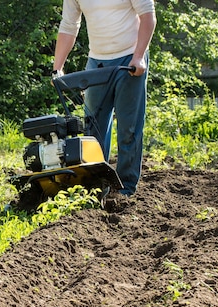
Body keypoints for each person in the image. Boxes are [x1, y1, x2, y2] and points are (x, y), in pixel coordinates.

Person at [52, 0, 156, 196]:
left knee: (129, 128)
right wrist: (57, 68)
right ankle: (96, 185)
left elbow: (148, 16)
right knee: (93, 128)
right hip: (97, 62)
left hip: (130, 59)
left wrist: (139, 56)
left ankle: (125, 189)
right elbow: (69, 25)